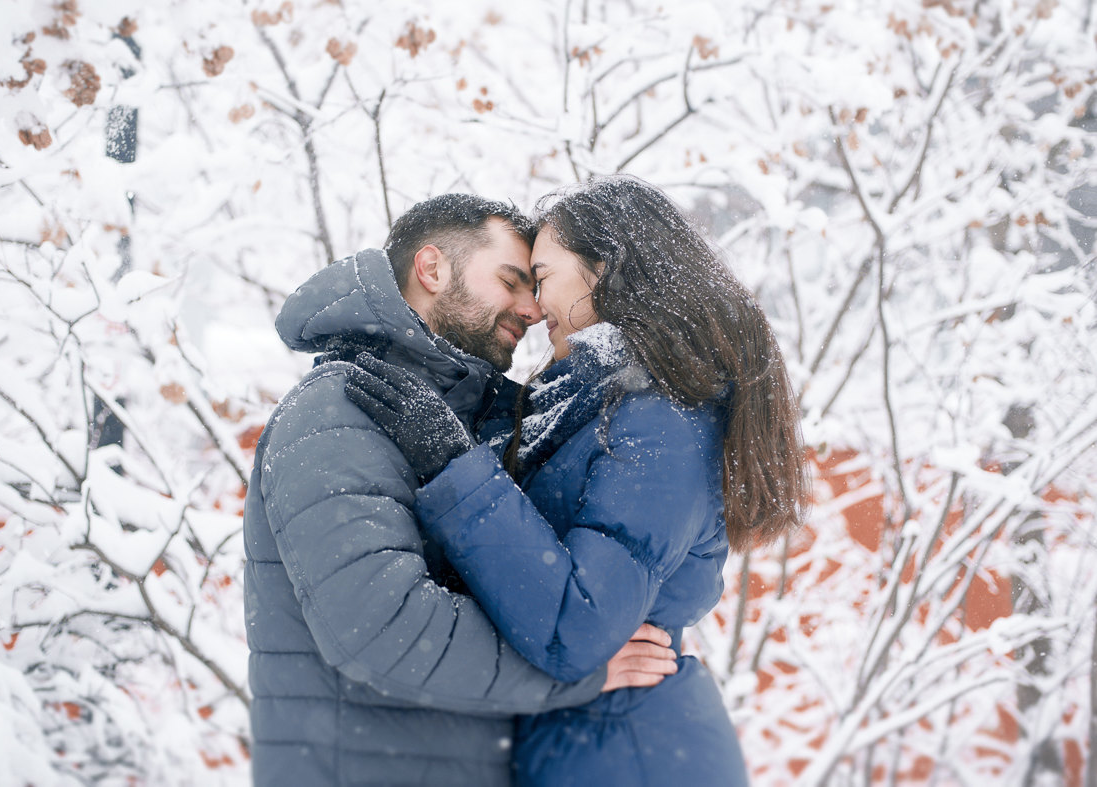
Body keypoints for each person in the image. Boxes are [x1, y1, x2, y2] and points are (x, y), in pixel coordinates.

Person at [346, 176, 809, 785]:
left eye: (541, 279)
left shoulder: (664, 414)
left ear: (606, 269)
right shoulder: (595, 407)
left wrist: (456, 469)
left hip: (629, 750)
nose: (535, 310)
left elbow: (579, 624)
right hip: (589, 740)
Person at [242, 193, 678, 786]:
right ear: (432, 269)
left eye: (537, 285)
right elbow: (386, 630)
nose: (531, 309)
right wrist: (578, 672)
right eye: (511, 280)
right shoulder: (337, 410)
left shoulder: (462, 419)